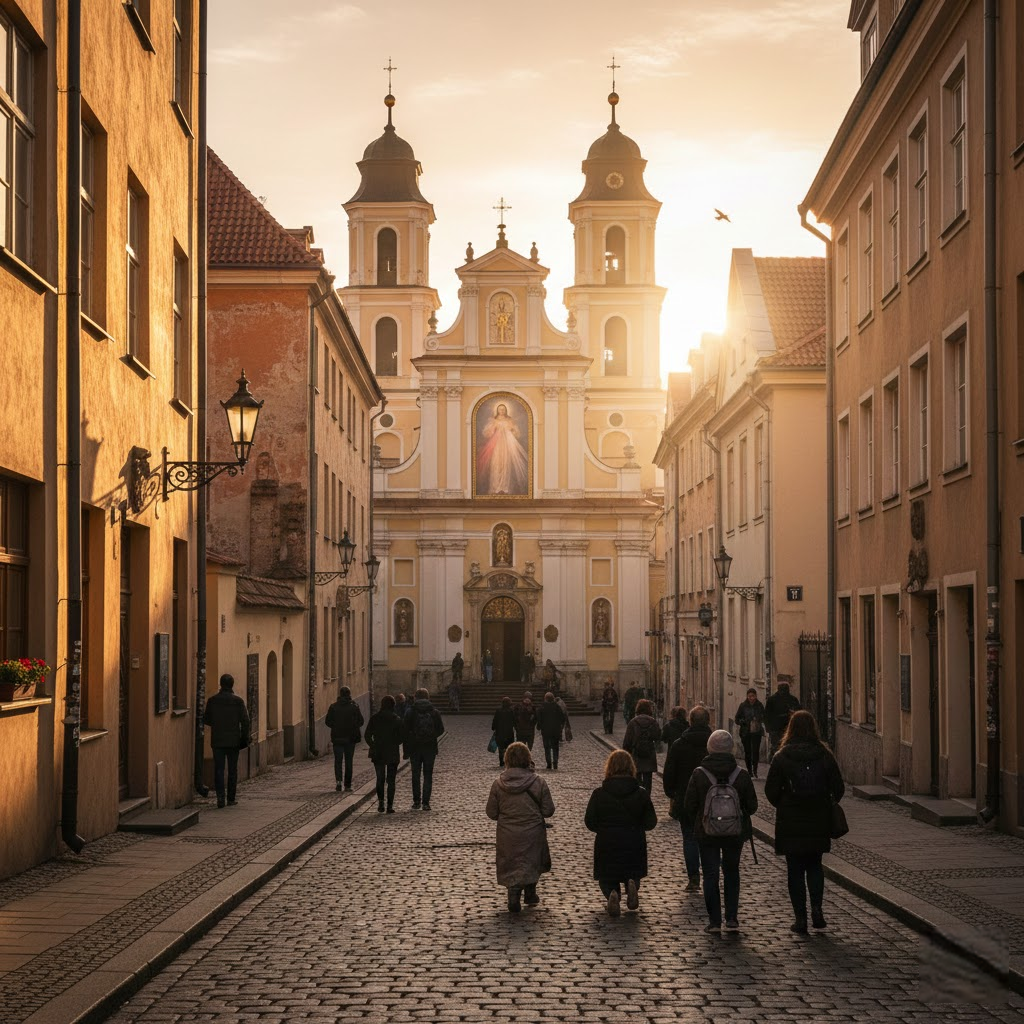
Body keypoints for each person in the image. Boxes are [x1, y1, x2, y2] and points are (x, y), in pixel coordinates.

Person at [764, 710, 845, 933]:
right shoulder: (824, 754)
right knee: (815, 866)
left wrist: (785, 803)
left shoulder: (782, 756)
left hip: (791, 821)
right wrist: (824, 801)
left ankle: (800, 918)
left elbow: (770, 791)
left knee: (795, 870)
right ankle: (817, 910)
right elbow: (838, 787)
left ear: (790, 728)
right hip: (818, 819)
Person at [683, 729, 758, 934]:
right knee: (732, 872)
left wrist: (702, 819)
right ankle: (732, 918)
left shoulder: (699, 773)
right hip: (734, 833)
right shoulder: (741, 774)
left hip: (707, 833)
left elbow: (689, 805)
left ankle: (714, 921)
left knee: (710, 874)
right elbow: (752, 806)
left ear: (710, 747)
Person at [584, 749, 658, 916]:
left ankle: (612, 894)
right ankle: (631, 884)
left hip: (607, 841)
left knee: (607, 877)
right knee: (633, 870)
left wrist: (603, 829)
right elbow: (651, 822)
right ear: (631, 767)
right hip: (634, 840)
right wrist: (638, 828)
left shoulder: (599, 794)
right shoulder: (641, 793)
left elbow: (589, 821)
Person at [485, 741, 555, 913]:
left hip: (507, 834)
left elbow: (491, 812)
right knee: (531, 860)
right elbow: (548, 810)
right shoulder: (538, 782)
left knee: (512, 861)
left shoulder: (498, 784)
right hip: (533, 832)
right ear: (527, 759)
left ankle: (513, 892)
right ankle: (530, 891)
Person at [661, 705, 713, 892]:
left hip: (686, 799)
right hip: (712, 800)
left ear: (690, 721)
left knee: (690, 838)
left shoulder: (679, 744)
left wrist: (672, 793)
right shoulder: (715, 744)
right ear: (708, 721)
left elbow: (669, 773)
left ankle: (693, 878)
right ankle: (710, 875)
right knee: (709, 839)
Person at [203, 673, 250, 808]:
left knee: (219, 769)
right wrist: (244, 738)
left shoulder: (212, 700)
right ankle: (230, 798)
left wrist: (218, 724)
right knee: (232, 770)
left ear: (221, 684)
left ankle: (220, 799)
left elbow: (207, 719)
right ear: (232, 685)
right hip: (233, 740)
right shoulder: (238, 701)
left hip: (217, 740)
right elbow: (245, 722)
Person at [402, 687, 445, 810]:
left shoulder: (410, 711)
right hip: (429, 747)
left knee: (415, 775)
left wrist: (407, 749)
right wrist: (431, 736)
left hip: (415, 747)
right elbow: (441, 729)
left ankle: (416, 802)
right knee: (428, 775)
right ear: (427, 697)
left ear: (416, 697)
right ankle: (426, 803)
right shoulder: (434, 711)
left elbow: (405, 731)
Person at [479, 402, 529, 495]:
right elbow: (487, 433)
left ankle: (504, 487)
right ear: (497, 410)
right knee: (496, 464)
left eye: (503, 409)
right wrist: (492, 429)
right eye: (500, 409)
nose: (501, 411)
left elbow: (517, 433)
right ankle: (496, 486)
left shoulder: (510, 420)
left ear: (506, 410)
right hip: (496, 444)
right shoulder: (493, 420)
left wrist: (512, 429)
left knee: (505, 464)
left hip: (507, 444)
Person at [364, 694, 402, 813]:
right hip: (392, 752)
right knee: (391, 780)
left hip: (378, 752)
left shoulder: (375, 718)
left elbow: (367, 735)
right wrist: (395, 743)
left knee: (380, 778)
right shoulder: (396, 719)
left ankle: (381, 803)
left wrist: (373, 745)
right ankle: (390, 806)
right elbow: (402, 737)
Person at [325, 685, 364, 792]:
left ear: (340, 694)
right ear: (349, 694)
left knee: (338, 761)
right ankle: (348, 785)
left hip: (337, 737)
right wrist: (353, 726)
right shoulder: (354, 706)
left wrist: (336, 726)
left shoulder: (333, 707)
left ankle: (338, 782)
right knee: (348, 761)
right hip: (350, 738)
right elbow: (361, 721)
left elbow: (328, 721)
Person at [622, 698, 662, 793]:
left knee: (637, 780)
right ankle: (646, 800)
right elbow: (658, 737)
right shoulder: (653, 722)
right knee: (648, 781)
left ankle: (638, 799)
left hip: (636, 754)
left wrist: (627, 756)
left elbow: (627, 742)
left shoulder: (633, 722)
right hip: (649, 754)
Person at [764, 681, 802, 759]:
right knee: (780, 747)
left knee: (778, 748)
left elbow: (766, 716)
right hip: (781, 728)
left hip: (783, 728)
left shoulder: (773, 699)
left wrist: (768, 728)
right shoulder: (791, 699)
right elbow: (767, 715)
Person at [735, 688, 766, 778]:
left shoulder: (759, 705)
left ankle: (755, 770)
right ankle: (749, 771)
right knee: (748, 751)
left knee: (755, 751)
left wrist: (758, 719)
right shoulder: (743, 706)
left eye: (753, 696)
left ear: (756, 696)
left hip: (756, 732)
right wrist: (743, 722)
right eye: (750, 696)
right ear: (747, 696)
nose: (751, 698)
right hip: (746, 732)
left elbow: (764, 717)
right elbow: (737, 719)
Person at [535, 691, 567, 770]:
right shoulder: (557, 706)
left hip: (545, 731)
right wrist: (560, 726)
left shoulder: (542, 707)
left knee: (547, 747)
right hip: (555, 730)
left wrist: (539, 726)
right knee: (555, 747)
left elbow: (539, 718)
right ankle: (555, 762)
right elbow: (562, 718)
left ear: (545, 698)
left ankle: (549, 763)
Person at [491, 697, 516, 768]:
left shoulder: (498, 711)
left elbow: (495, 720)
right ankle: (508, 761)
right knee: (508, 748)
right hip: (509, 732)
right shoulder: (511, 711)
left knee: (501, 748)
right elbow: (514, 721)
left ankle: (501, 761)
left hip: (500, 732)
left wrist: (493, 727)